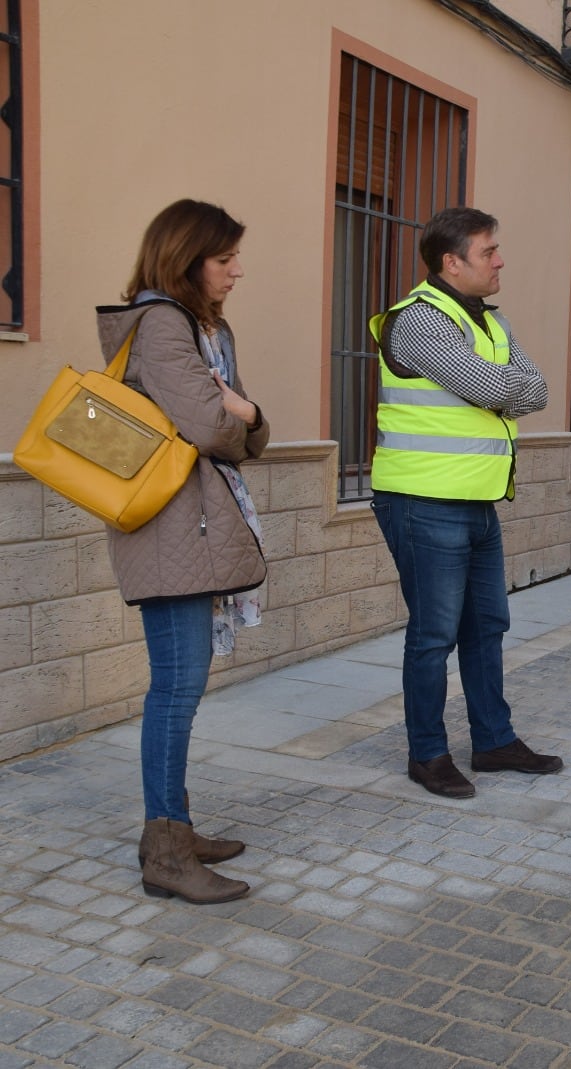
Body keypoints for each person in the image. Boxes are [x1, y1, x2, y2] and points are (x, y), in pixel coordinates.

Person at [101, 199, 266, 904]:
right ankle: (166, 851)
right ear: (186, 258)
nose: (236, 270)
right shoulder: (164, 323)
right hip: (170, 530)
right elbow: (209, 421)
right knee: (175, 689)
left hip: (189, 527)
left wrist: (245, 416)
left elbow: (238, 420)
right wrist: (245, 415)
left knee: (183, 686)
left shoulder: (202, 328)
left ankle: (174, 827)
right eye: (224, 259)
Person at [369, 206, 561, 800]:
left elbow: (538, 388)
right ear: (451, 262)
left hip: (477, 500)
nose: (500, 260)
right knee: (433, 635)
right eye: (488, 251)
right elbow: (494, 387)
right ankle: (427, 754)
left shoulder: (489, 322)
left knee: (487, 628)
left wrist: (503, 387)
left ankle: (494, 741)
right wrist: (503, 387)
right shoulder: (418, 322)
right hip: (424, 500)